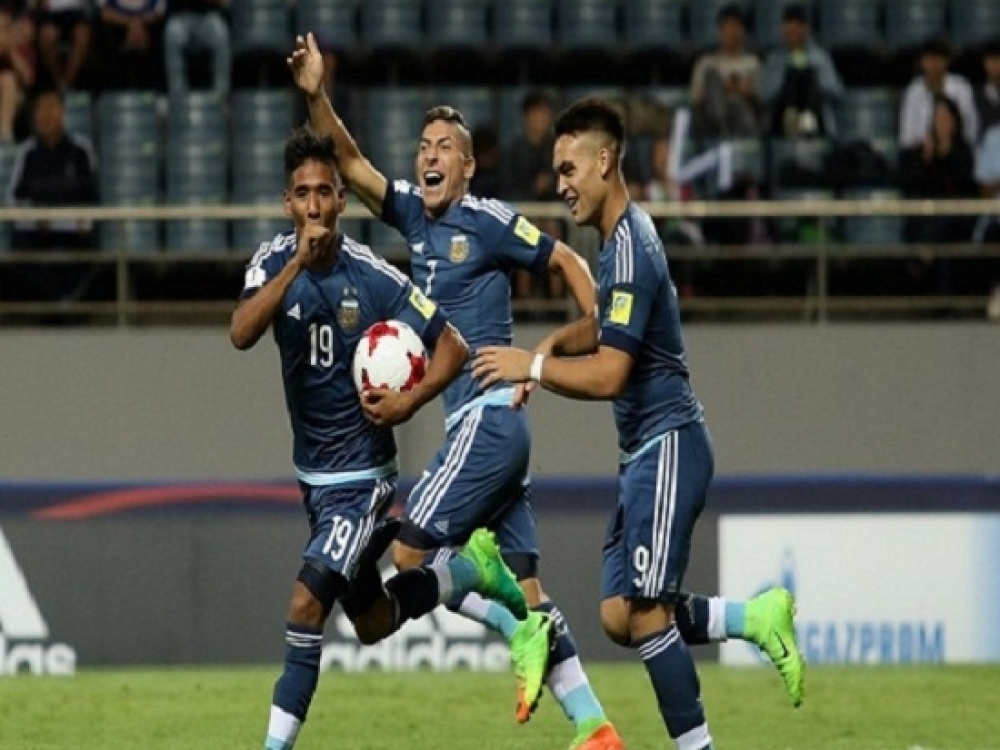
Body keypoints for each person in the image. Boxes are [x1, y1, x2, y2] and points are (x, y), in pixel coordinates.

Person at [289, 32, 624, 750]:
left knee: (412, 561)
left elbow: (565, 258)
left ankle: (479, 571)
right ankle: (596, 727)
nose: (430, 155)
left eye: (445, 147)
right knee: (529, 600)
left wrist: (588, 327)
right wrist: (317, 94)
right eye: (424, 146)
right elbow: (350, 161)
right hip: (487, 432)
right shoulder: (413, 213)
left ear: (468, 166)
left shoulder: (489, 220)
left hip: (487, 417)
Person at [472, 98, 807, 749]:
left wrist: (531, 366)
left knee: (648, 612)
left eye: (569, 169)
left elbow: (610, 374)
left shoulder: (629, 247)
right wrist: (549, 347)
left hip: (668, 443)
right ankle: (754, 616)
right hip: (643, 455)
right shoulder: (620, 242)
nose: (561, 184)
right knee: (619, 615)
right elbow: (607, 326)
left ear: (604, 161)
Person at [230, 126, 531, 750]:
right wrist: (296, 264)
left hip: (361, 480)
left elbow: (453, 346)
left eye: (324, 192)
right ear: (288, 203)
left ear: (342, 199)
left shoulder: (372, 276)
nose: (314, 205)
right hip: (314, 481)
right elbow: (241, 332)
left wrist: (408, 402)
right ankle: (466, 572)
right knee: (372, 622)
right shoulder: (271, 260)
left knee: (305, 606)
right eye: (302, 194)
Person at [5, 88, 97, 303]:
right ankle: (54, 305)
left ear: (63, 113)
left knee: (84, 251)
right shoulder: (26, 152)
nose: (46, 115)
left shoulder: (80, 150)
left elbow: (91, 196)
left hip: (71, 231)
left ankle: (62, 305)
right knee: (23, 248)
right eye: (41, 109)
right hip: (37, 233)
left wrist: (79, 219)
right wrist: (34, 217)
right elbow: (13, 198)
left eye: (52, 108)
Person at [761, 3, 844, 138]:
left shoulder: (820, 57)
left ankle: (806, 126)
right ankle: (793, 123)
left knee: (807, 77)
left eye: (797, 30)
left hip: (815, 119)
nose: (793, 34)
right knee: (792, 78)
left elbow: (835, 90)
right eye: (789, 31)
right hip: (781, 121)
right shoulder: (774, 60)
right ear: (783, 30)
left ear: (806, 29)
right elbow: (766, 95)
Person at [689, 3, 761, 140]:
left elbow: (760, 97)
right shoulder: (706, 62)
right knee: (711, 76)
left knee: (737, 105)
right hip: (711, 118)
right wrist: (722, 88)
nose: (732, 33)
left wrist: (742, 89)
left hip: (743, 118)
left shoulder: (752, 63)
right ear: (720, 31)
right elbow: (696, 98)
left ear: (742, 31)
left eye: (736, 27)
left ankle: (726, 129)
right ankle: (721, 126)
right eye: (727, 28)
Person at [899, 37, 978, 149]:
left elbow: (971, 130)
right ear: (921, 62)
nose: (933, 64)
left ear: (947, 61)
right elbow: (906, 137)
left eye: (938, 59)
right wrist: (926, 142)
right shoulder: (913, 91)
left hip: (956, 149)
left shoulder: (961, 87)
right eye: (929, 59)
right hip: (923, 151)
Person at [163, 0, 230, 99]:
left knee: (220, 33)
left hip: (207, 16)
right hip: (181, 16)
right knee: (172, 33)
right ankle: (178, 97)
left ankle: (220, 96)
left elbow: (224, 2)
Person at [93, 0, 165, 91]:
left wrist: (138, 23)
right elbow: (104, 13)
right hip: (114, 30)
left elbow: (159, 13)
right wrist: (131, 23)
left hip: (150, 29)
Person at [34, 0, 91, 91]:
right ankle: (56, 80)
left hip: (77, 12)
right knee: (48, 36)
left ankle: (67, 82)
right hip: (52, 13)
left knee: (82, 36)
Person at [0, 0, 35, 143]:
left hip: (13, 98)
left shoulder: (19, 48)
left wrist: (10, 52)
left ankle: (4, 138)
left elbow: (28, 79)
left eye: (4, 28)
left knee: (8, 79)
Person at [974, 39, 1000, 137]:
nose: (996, 66)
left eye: (998, 60)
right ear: (984, 64)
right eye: (992, 61)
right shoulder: (975, 94)